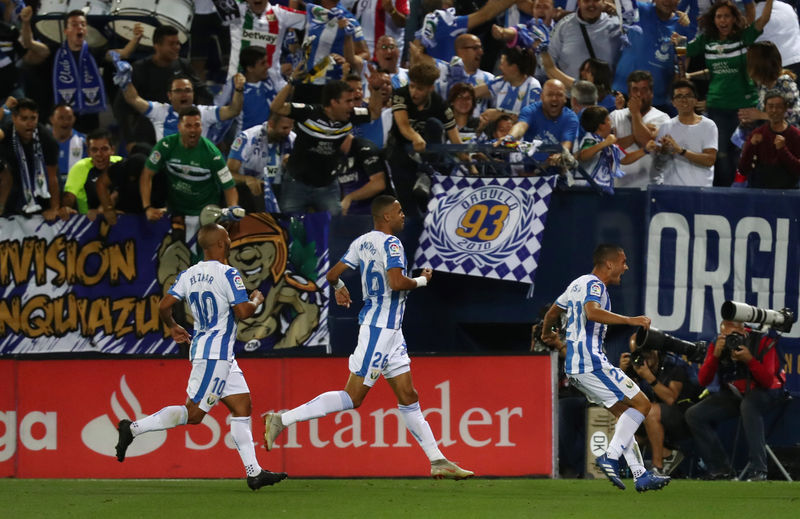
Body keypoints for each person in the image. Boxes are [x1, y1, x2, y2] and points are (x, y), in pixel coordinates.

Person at [263, 195, 474, 480]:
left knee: (408, 395)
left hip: (392, 333)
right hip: (379, 329)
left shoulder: (361, 242)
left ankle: (437, 460)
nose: (402, 216)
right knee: (353, 396)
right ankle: (281, 419)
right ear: (386, 216)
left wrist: (339, 286)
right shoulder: (392, 243)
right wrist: (423, 280)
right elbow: (397, 282)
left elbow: (333, 275)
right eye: (399, 211)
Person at [115, 223, 288, 491]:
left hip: (218, 353)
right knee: (194, 414)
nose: (230, 240)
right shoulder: (229, 273)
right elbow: (243, 312)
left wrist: (173, 325)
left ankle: (254, 473)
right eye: (227, 237)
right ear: (219, 244)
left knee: (242, 407)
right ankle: (132, 428)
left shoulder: (188, 274)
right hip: (214, 355)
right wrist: (256, 300)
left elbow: (164, 306)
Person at [541, 244, 670, 492]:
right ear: (609, 264)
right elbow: (592, 312)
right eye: (623, 261)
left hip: (576, 367)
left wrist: (549, 336)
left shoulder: (576, 284)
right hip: (591, 362)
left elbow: (552, 314)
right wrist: (630, 320)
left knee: (625, 415)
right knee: (643, 405)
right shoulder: (595, 285)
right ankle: (609, 456)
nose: (626, 267)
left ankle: (640, 474)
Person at [684, 0, 774, 186]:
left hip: (745, 108)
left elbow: (763, 19)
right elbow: (685, 49)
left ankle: (748, 193)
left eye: (727, 16)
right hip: (718, 108)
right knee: (722, 156)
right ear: (713, 19)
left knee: (746, 153)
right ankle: (725, 196)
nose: (723, 20)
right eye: (719, 16)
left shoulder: (743, 38)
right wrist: (680, 33)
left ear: (734, 19)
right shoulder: (706, 39)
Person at [685, 320, 785, 481]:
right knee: (694, 414)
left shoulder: (762, 341)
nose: (730, 340)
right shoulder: (718, 343)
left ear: (743, 331)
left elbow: (767, 381)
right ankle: (721, 469)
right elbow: (703, 380)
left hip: (769, 392)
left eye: (735, 336)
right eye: (725, 336)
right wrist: (715, 357)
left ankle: (759, 470)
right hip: (737, 393)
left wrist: (749, 360)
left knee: (749, 406)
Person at [270, 76, 377, 214]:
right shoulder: (308, 113)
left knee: (334, 228)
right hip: (296, 183)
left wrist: (376, 90)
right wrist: (291, 82)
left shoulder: (351, 115)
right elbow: (276, 107)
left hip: (328, 186)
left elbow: (374, 112)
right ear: (333, 102)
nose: (353, 105)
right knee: (291, 228)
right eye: (348, 101)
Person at [140, 106, 239, 222]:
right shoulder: (165, 146)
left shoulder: (213, 154)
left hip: (205, 214)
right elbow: (146, 175)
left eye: (197, 125)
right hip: (175, 212)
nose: (193, 130)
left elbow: (229, 186)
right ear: (179, 127)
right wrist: (147, 208)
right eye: (188, 126)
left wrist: (233, 207)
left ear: (201, 127)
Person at [52, 10, 142, 133]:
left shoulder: (94, 53)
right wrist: (25, 23)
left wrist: (136, 39)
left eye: (83, 24)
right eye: (74, 24)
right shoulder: (55, 54)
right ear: (65, 31)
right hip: (63, 116)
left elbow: (123, 53)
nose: (80, 27)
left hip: (90, 115)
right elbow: (29, 44)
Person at [620, 343, 699, 476]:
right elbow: (624, 399)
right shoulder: (636, 366)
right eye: (640, 353)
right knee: (626, 417)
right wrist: (621, 374)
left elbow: (671, 399)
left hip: (687, 416)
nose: (645, 356)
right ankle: (668, 455)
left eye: (648, 351)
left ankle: (658, 467)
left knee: (652, 412)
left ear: (656, 350)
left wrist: (649, 377)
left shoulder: (674, 364)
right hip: (656, 418)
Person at [611, 0, 690, 115]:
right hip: (623, 94)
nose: (668, 2)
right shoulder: (639, 9)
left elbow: (682, 65)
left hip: (658, 101)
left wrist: (681, 46)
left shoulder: (682, 25)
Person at [122, 74, 246, 145]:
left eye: (188, 91)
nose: (184, 94)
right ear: (169, 95)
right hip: (168, 171)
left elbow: (233, 110)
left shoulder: (204, 113)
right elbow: (133, 99)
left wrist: (239, 90)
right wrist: (126, 80)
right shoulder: (160, 112)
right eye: (178, 91)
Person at [0, 98, 65, 220]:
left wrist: (54, 208)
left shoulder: (47, 139)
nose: (30, 123)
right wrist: (5, 108)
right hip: (13, 186)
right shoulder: (7, 130)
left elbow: (52, 177)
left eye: (33, 118)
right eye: (24, 119)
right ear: (14, 118)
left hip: (41, 189)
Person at [609, 70, 670, 189]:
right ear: (629, 93)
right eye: (635, 89)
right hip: (619, 186)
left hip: (649, 186)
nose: (639, 94)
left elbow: (646, 142)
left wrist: (636, 114)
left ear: (651, 93)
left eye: (644, 90)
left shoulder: (662, 118)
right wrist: (639, 132)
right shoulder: (615, 115)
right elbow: (613, 148)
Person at [652, 79, 718, 186]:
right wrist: (663, 151)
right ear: (673, 102)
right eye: (679, 96)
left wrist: (680, 151)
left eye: (688, 96)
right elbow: (658, 164)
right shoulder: (665, 126)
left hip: (701, 191)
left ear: (695, 100)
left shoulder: (709, 125)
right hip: (672, 189)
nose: (684, 100)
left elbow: (709, 160)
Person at [506, 79, 579, 174]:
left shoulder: (570, 117)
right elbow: (521, 126)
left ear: (565, 98)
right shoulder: (530, 110)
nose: (554, 98)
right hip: (528, 170)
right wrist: (510, 137)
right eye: (550, 94)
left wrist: (561, 153)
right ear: (542, 97)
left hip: (555, 174)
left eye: (559, 95)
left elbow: (567, 142)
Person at [227, 114, 296, 213]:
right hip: (246, 192)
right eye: (284, 128)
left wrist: (292, 165)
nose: (288, 132)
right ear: (271, 124)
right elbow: (228, 174)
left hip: (277, 192)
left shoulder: (292, 140)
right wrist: (246, 179)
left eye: (291, 127)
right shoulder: (247, 138)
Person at [575, 105, 652, 190]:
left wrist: (645, 150)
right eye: (608, 119)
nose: (611, 123)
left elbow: (625, 158)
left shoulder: (610, 144)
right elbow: (583, 156)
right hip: (587, 190)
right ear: (601, 125)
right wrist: (604, 143)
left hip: (602, 190)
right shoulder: (590, 139)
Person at [547, 0, 623, 81]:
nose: (591, 4)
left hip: (607, 92)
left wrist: (619, 13)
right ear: (579, 3)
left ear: (604, 2)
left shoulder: (617, 25)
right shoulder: (563, 27)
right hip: (572, 92)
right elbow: (548, 64)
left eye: (596, 0)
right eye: (586, 1)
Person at [738, 91, 800, 188]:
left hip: (788, 192)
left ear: (785, 108)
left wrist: (783, 150)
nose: (774, 110)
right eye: (770, 106)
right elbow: (743, 169)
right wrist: (751, 145)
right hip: (760, 191)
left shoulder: (795, 135)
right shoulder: (757, 134)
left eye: (778, 106)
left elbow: (798, 169)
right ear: (765, 108)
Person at [62, 128, 122, 217]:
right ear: (89, 152)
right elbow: (69, 197)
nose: (99, 154)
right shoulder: (79, 168)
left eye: (104, 149)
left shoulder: (121, 163)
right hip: (89, 222)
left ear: (112, 150)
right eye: (94, 150)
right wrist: (66, 207)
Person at [336, 135, 388, 214]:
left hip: (375, 212)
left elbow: (379, 184)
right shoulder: (333, 154)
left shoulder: (365, 148)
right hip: (350, 214)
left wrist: (350, 197)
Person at [49, 103, 86, 190]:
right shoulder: (42, 142)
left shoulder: (85, 143)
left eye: (69, 118)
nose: (65, 122)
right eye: (61, 118)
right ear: (52, 119)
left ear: (74, 119)